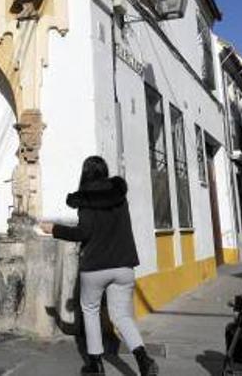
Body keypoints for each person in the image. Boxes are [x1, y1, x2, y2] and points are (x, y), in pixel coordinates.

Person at [41, 156, 158, 376]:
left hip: (95, 266)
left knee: (91, 311)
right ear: (105, 171)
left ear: (85, 173)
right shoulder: (119, 195)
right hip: (124, 265)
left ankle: (95, 365)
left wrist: (54, 229)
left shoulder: (85, 198)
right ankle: (144, 360)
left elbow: (84, 232)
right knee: (122, 316)